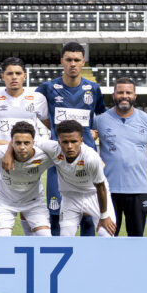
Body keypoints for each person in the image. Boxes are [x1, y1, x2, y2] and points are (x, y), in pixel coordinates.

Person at [35, 42, 106, 236]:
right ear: (62, 62)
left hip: (86, 156)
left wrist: (96, 131)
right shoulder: (48, 88)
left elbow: (102, 117)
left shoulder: (93, 88)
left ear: (83, 62)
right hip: (58, 157)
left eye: (76, 60)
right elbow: (36, 111)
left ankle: (86, 260)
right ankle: (59, 257)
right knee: (55, 211)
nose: (72, 64)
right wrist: (54, 131)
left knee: (88, 215)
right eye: (69, 60)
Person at [0, 56, 50, 230]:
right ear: (3, 76)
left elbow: (50, 126)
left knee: (28, 206)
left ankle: (29, 245)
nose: (14, 77)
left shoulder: (37, 98)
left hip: (28, 160)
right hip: (0, 161)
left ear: (24, 76)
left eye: (18, 73)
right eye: (9, 73)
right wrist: (6, 147)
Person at [93, 77, 147, 237]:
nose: (124, 96)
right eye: (120, 92)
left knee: (136, 238)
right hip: (109, 191)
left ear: (135, 96)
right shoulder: (100, 120)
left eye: (128, 92)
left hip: (138, 190)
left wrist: (140, 165)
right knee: (108, 238)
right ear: (113, 95)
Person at [41, 120, 116, 238]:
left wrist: (104, 216)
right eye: (65, 142)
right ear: (58, 142)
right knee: (66, 237)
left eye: (74, 141)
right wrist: (9, 152)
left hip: (94, 195)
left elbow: (101, 187)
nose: (69, 146)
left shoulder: (91, 157)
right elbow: (30, 143)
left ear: (81, 140)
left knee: (106, 234)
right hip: (70, 197)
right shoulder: (53, 148)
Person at [0, 121, 54, 236]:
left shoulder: (45, 157)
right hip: (4, 202)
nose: (22, 147)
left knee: (45, 236)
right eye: (18, 143)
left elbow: (67, 153)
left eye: (26, 143)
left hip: (33, 203)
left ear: (33, 143)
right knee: (3, 237)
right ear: (11, 143)